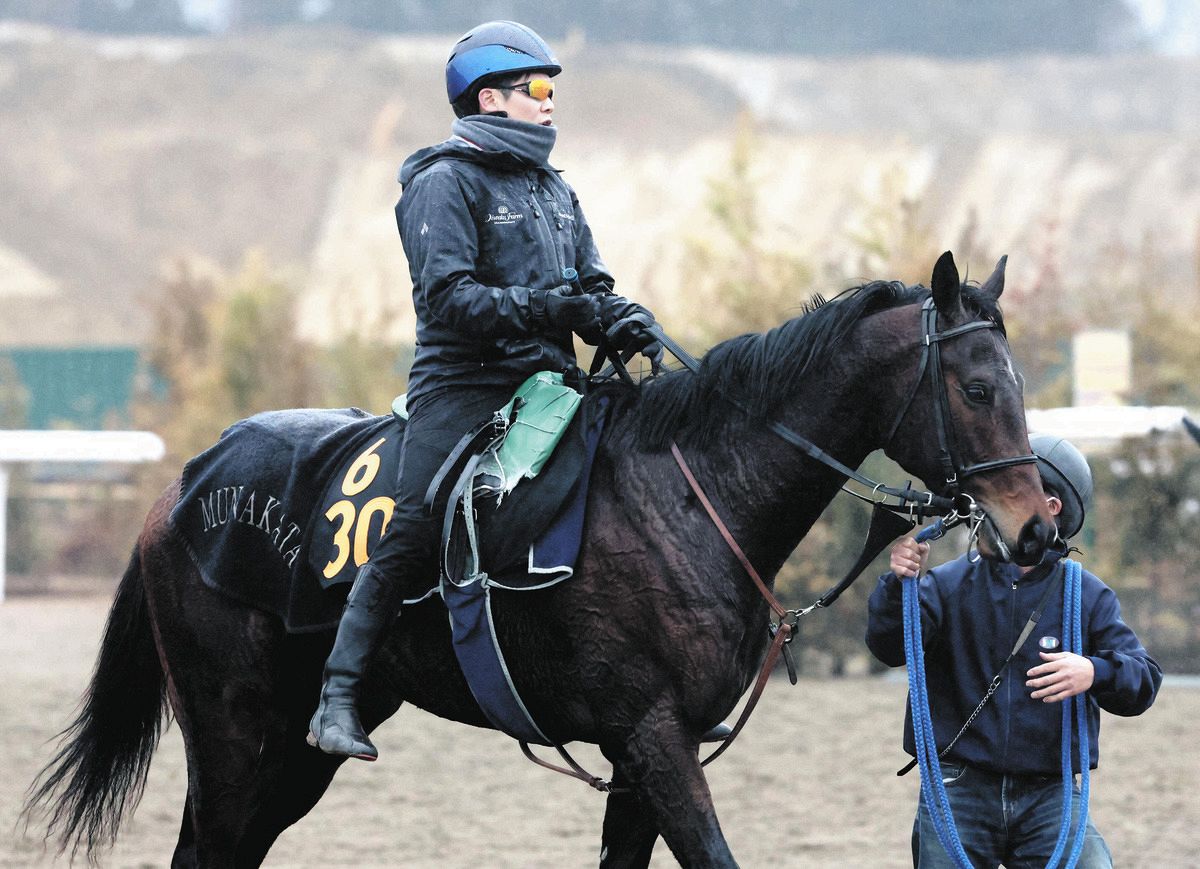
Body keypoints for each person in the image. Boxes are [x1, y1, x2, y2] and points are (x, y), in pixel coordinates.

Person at [307, 21, 665, 761]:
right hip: (462, 386)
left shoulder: (553, 188)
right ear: (491, 98)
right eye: (538, 88)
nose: (550, 101)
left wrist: (615, 314)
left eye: (551, 89)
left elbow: (589, 282)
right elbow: (451, 300)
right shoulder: (442, 181)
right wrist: (556, 308)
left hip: (550, 383)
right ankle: (337, 694)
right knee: (415, 520)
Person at [866, 434, 1162, 868]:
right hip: (959, 788)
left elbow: (1144, 681)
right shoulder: (946, 585)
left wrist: (1094, 672)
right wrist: (898, 587)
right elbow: (889, 648)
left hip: (1051, 795)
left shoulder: (1088, 596)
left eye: (1012, 485)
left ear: (1052, 506)